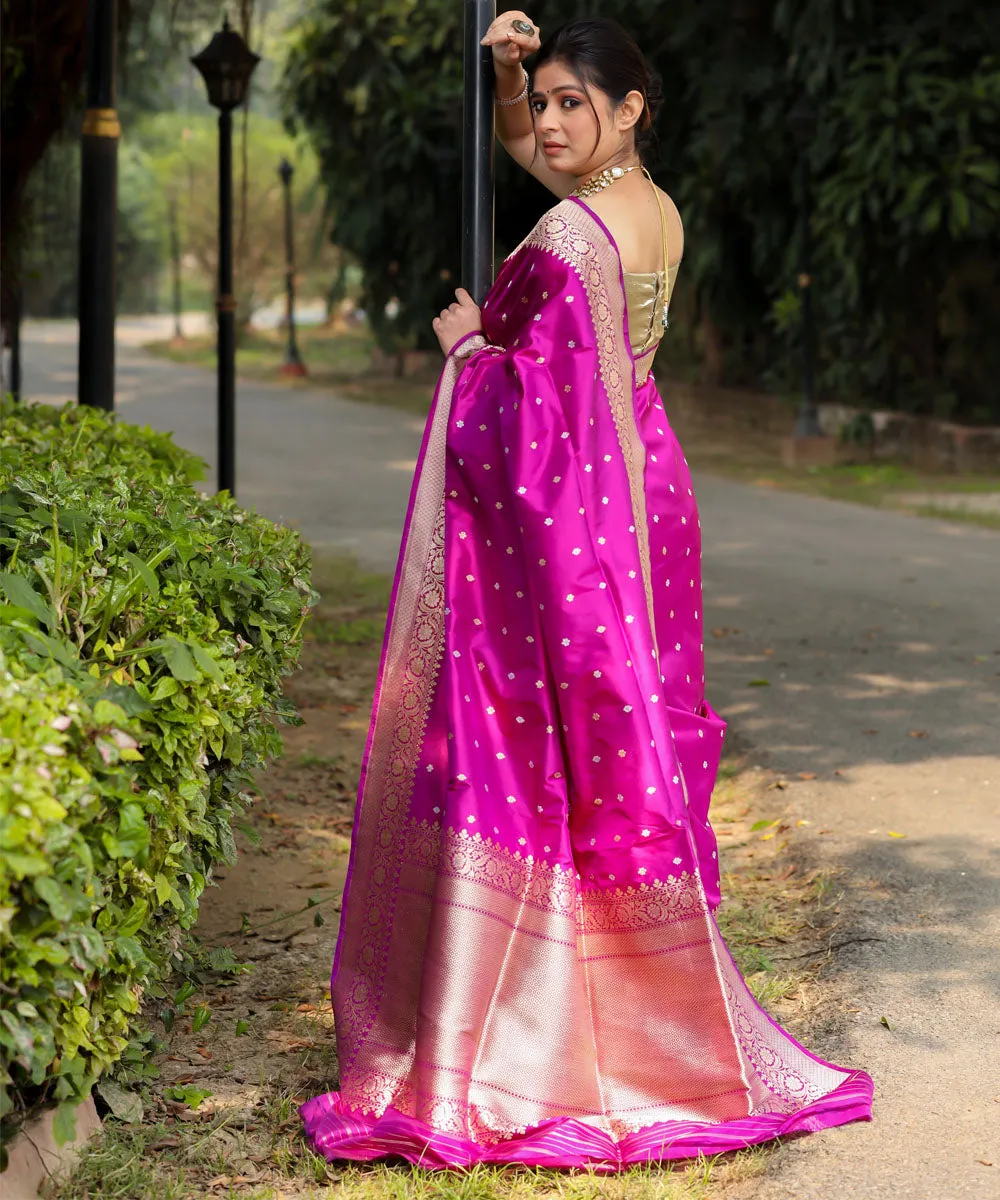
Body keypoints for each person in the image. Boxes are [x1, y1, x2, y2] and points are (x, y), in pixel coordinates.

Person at [300, 12, 873, 1170]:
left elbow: (530, 409)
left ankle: (541, 1040)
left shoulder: (567, 239)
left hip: (572, 511)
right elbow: (547, 180)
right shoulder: (646, 209)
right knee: (626, 731)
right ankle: (637, 1008)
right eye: (543, 99)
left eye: (573, 102)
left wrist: (470, 351)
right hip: (640, 489)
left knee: (544, 746)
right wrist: (506, 73)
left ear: (630, 107)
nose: (549, 123)